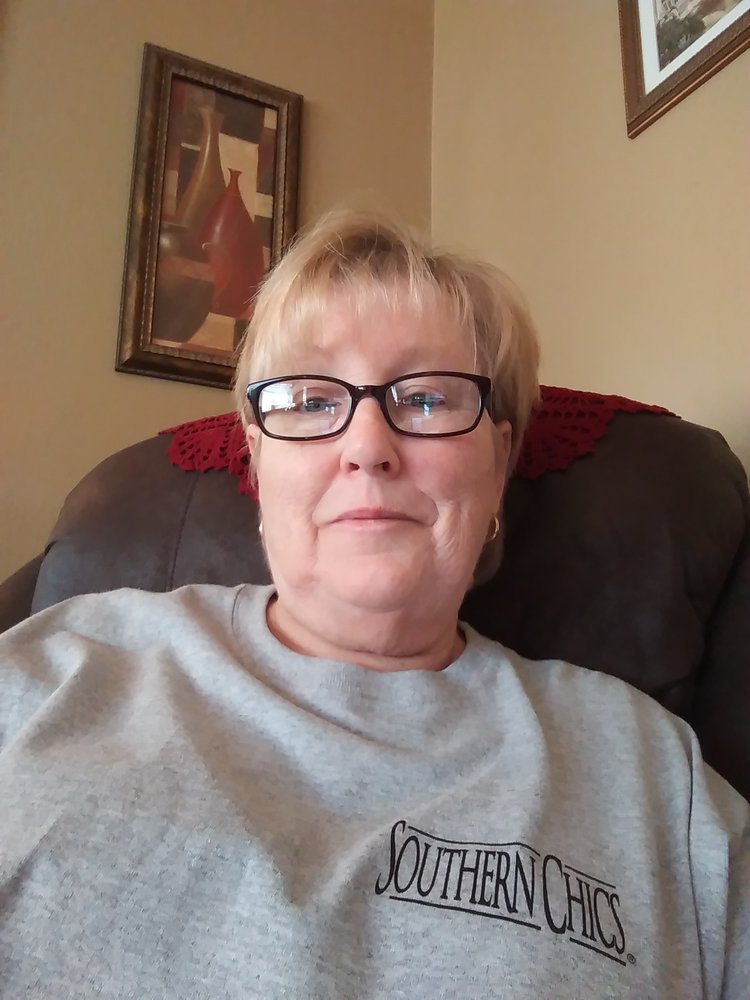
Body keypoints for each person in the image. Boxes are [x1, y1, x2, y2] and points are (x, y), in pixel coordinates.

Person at [0, 210, 747, 999]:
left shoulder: (650, 772)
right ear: (257, 460)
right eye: (309, 400)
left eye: (425, 398)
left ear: (499, 463)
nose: (366, 446)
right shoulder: (56, 674)